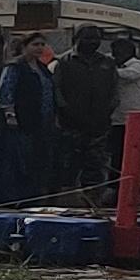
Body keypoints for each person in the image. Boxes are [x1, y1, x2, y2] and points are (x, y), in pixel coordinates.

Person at [52, 28, 121, 203]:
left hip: (99, 124)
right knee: (69, 166)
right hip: (71, 124)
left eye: (96, 38)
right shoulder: (63, 62)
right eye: (88, 38)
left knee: (96, 166)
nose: (92, 42)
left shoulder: (107, 63)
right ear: (76, 39)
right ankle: (67, 202)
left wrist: (105, 113)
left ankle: (93, 202)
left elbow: (115, 93)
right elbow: (57, 92)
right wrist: (69, 113)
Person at [0, 33, 56, 202]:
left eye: (42, 44)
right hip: (21, 124)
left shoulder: (43, 68)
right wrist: (10, 116)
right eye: (35, 44)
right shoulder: (15, 67)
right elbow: (5, 92)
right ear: (24, 46)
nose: (39, 48)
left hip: (41, 124)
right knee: (17, 163)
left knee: (37, 164)